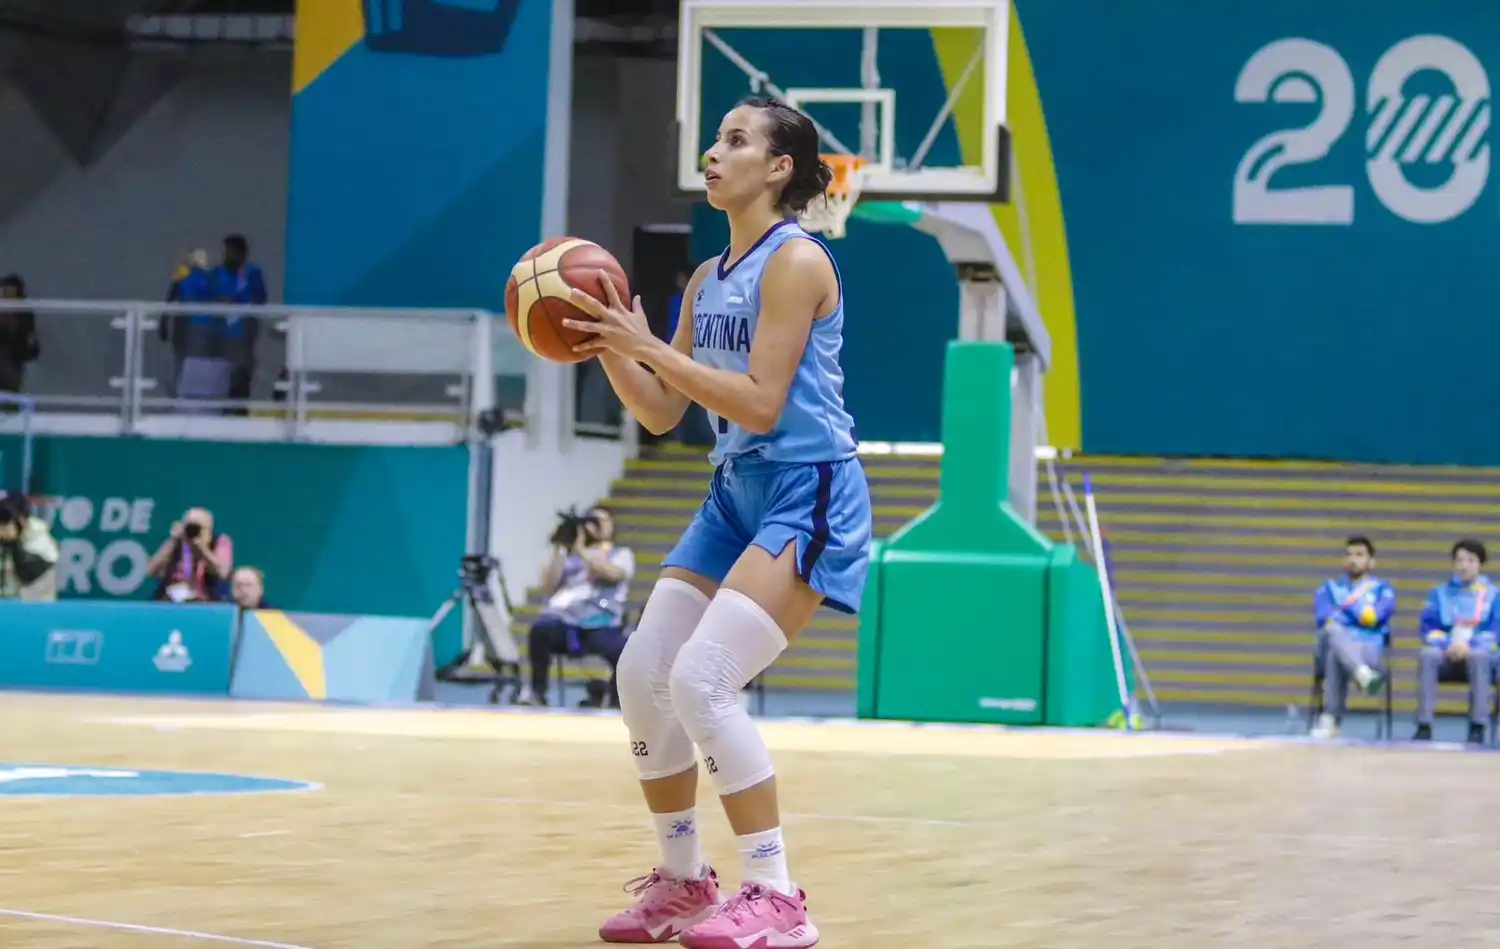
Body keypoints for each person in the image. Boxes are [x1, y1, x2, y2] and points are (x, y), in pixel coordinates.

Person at [564, 97, 867, 949]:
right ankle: (684, 880)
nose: (712, 151)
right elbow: (664, 411)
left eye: (736, 140)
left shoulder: (798, 261)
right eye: (715, 137)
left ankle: (777, 894)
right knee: (640, 674)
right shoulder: (707, 277)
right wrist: (613, 347)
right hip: (734, 489)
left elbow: (764, 404)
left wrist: (652, 346)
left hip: (807, 487)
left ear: (778, 169)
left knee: (702, 679)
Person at [522, 505, 634, 707]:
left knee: (624, 653)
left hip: (601, 623)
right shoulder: (569, 556)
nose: (594, 525)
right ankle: (537, 693)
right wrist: (562, 546)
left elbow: (610, 574)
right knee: (539, 631)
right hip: (566, 623)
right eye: (591, 520)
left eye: (601, 521)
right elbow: (548, 585)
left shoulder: (621, 554)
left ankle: (616, 704)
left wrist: (582, 550)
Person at [1414, 538, 1499, 743]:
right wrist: (1448, 645)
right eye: (1460, 560)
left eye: (1470, 560)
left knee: (1480, 657)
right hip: (1447, 654)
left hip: (1479, 655)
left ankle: (1477, 726)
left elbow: (1496, 631)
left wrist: (1468, 646)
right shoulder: (1439, 593)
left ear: (1480, 564)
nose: (1464, 565)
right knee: (1427, 654)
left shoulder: (1494, 595)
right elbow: (1428, 628)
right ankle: (1424, 725)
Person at [1309, 535, 1394, 739]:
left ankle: (1331, 719)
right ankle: (1363, 675)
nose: (1353, 560)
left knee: (1335, 650)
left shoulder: (1383, 590)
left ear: (1371, 562)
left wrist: (1344, 606)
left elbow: (1375, 617)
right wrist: (1358, 612)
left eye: (1359, 555)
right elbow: (1324, 618)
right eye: (1349, 555)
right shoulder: (1328, 588)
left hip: (1369, 650)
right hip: (1336, 643)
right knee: (1332, 631)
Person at [145, 507, 234, 603]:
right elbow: (150, 571)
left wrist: (200, 548)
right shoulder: (175, 542)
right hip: (171, 600)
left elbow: (222, 572)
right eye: (189, 526)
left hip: (207, 601)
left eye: (198, 528)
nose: (193, 531)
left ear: (209, 529)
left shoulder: (220, 542)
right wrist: (172, 542)